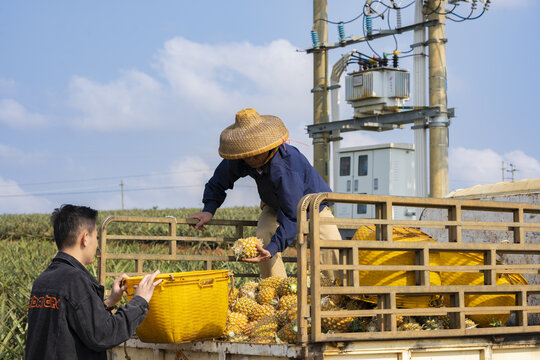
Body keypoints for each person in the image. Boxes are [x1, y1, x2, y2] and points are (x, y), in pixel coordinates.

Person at [189, 108, 341, 278]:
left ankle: (337, 294)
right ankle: (275, 291)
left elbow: (292, 214)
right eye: (248, 156)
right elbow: (217, 182)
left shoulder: (286, 165)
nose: (251, 159)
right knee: (263, 237)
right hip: (274, 204)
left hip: (311, 205)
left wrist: (275, 247)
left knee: (330, 244)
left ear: (267, 146)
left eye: (256, 154)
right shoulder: (243, 156)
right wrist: (209, 209)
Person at [25, 204, 162, 360]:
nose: (97, 244)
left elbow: (70, 323)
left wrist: (109, 302)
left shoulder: (42, 280)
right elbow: (104, 334)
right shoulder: (75, 280)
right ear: (85, 238)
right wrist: (140, 301)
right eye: (96, 237)